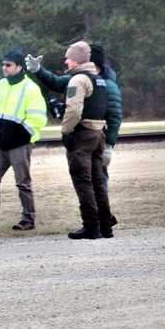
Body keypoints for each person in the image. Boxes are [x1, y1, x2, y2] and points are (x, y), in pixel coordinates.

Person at [26, 42, 121, 227]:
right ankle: (105, 222)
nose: (66, 61)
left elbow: (112, 116)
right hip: (97, 137)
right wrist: (38, 70)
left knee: (86, 181)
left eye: (69, 58)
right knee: (97, 182)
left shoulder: (87, 81)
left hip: (88, 137)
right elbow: (54, 81)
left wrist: (109, 145)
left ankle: (93, 224)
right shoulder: (94, 80)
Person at [0, 49, 48, 232]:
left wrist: (22, 135)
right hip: (0, 144)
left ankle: (28, 220)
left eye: (8, 65)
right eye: (3, 64)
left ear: (19, 67)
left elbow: (38, 118)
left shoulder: (30, 88)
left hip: (20, 144)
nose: (4, 68)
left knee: (23, 183)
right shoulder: (0, 86)